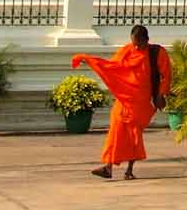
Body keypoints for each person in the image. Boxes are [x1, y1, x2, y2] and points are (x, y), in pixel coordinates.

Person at [72, 25, 172, 181]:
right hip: (125, 98)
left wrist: (161, 94)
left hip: (143, 101)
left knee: (134, 133)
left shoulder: (157, 53)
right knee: (116, 128)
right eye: (134, 43)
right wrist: (90, 61)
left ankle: (129, 170)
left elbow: (166, 75)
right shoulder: (127, 50)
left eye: (140, 43)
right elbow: (112, 67)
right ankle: (108, 166)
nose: (137, 46)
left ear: (147, 40)